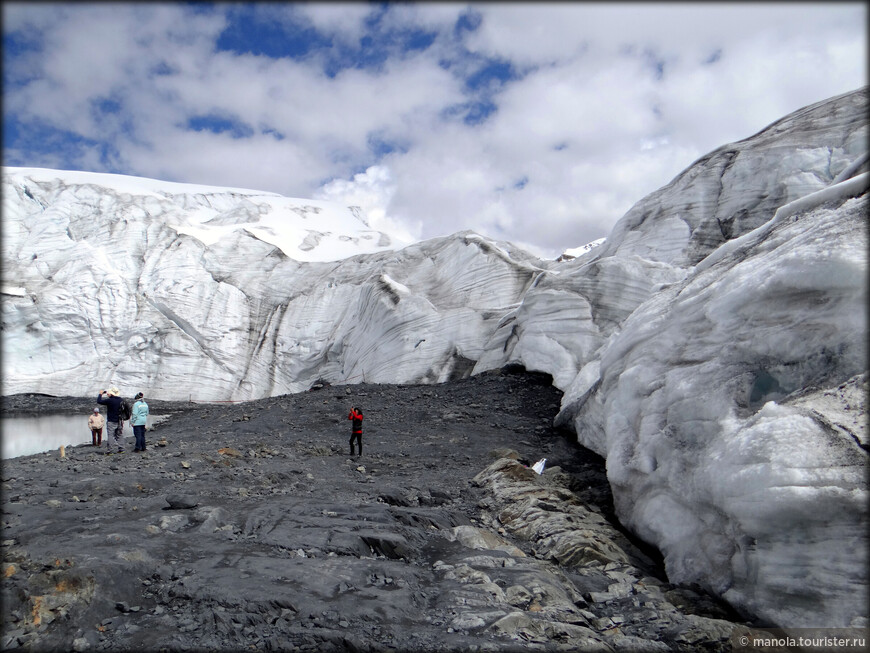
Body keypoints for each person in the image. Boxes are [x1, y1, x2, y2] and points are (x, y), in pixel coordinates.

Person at [97, 387, 125, 454]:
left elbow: (99, 401)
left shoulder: (110, 400)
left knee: (110, 435)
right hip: (119, 420)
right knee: (119, 435)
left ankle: (110, 450)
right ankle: (122, 449)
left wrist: (100, 394)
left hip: (111, 421)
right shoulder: (121, 400)